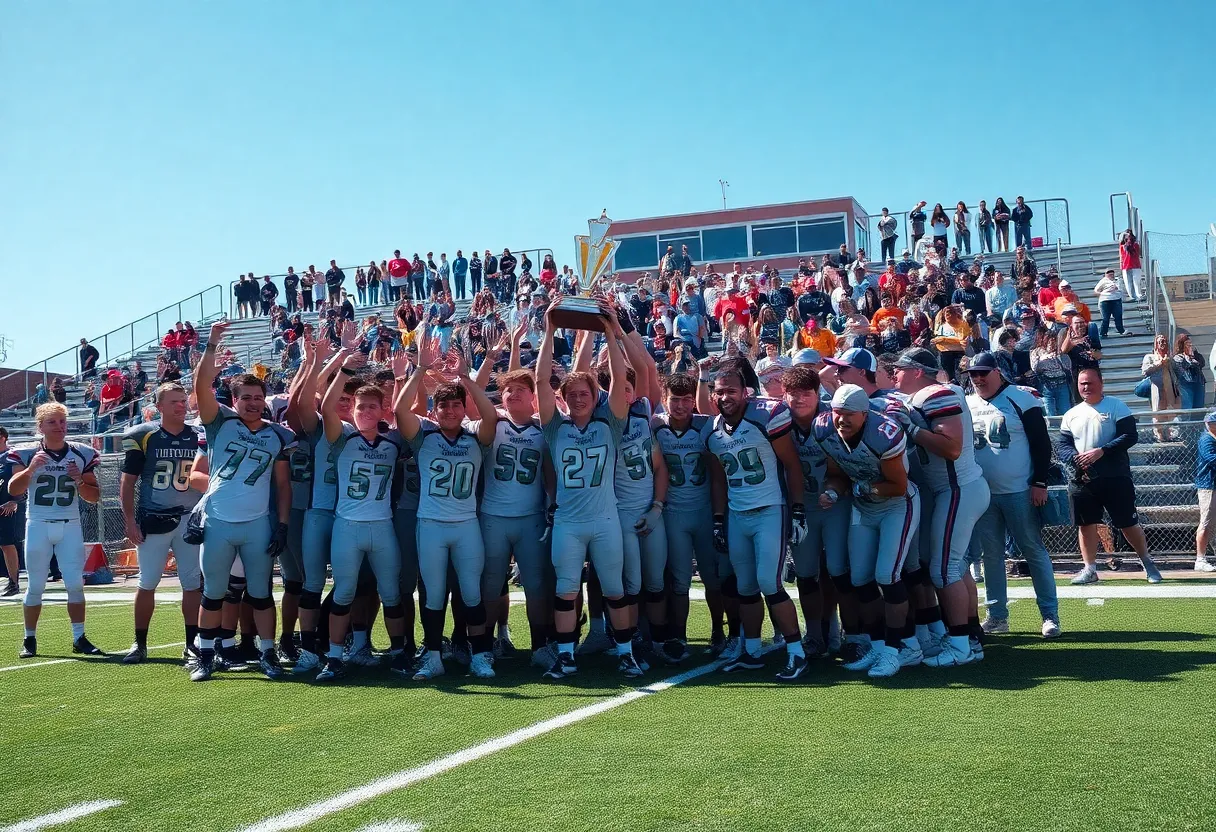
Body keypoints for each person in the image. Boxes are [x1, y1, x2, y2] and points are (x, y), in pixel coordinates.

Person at [534, 300, 643, 679]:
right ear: (563, 399)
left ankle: (625, 652)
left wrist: (612, 331)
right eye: (573, 394)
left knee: (614, 589)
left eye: (586, 393)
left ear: (594, 396)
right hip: (568, 521)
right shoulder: (555, 427)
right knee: (566, 590)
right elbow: (539, 381)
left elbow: (616, 376)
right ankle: (566, 656)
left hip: (605, 519)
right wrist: (548, 331)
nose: (580, 398)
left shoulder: (608, 423)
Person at [188, 320, 297, 682]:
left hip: (255, 523)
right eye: (244, 398)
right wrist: (212, 344)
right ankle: (205, 656)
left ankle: (268, 654)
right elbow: (201, 385)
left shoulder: (279, 435)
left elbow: (283, 486)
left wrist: (281, 524)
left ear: (264, 401)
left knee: (261, 594)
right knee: (214, 593)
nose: (252, 403)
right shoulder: (220, 423)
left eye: (257, 398)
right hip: (218, 520)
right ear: (234, 401)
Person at [701, 357, 810, 680]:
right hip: (738, 514)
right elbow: (719, 479)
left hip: (770, 510)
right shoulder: (714, 431)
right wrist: (719, 519)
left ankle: (796, 652)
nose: (725, 398)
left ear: (745, 392)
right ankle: (751, 651)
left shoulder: (766, 417)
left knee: (768, 583)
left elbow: (791, 465)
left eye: (731, 391)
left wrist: (798, 509)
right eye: (719, 392)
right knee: (745, 587)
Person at [309, 350, 413, 682]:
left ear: (382, 411)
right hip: (347, 525)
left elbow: (405, 414)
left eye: (372, 407)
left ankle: (398, 653)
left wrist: (399, 379)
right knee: (343, 592)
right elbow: (325, 407)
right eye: (359, 407)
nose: (366, 411)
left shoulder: (393, 440)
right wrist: (345, 368)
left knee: (392, 593)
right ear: (351, 411)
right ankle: (336, 656)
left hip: (382, 526)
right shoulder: (341, 437)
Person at [888, 349, 991, 666]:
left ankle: (960, 644)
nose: (895, 375)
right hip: (954, 489)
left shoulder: (935, 394)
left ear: (918, 371)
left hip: (957, 488)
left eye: (900, 370)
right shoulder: (939, 392)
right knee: (953, 566)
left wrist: (913, 429)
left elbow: (951, 447)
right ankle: (970, 636)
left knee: (944, 569)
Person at [813, 383, 918, 678]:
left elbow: (897, 486)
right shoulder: (824, 429)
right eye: (836, 413)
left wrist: (861, 486)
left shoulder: (882, 434)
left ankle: (896, 650)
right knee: (860, 578)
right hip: (864, 507)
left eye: (848, 414)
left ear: (864, 414)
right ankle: (877, 644)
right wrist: (833, 492)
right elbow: (836, 475)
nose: (841, 419)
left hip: (897, 506)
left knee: (888, 575)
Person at [963, 352, 1061, 637]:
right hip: (983, 493)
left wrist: (1040, 482)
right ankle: (997, 616)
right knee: (991, 555)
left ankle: (1049, 614)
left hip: (1019, 490)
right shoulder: (967, 403)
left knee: (1032, 550)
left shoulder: (1022, 398)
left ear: (998, 371)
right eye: (973, 374)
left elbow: (1041, 444)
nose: (978, 378)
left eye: (983, 372)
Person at [7, 402, 103, 659]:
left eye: (62, 421)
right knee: (35, 586)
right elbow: (13, 490)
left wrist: (79, 480)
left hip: (70, 524)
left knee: (75, 585)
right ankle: (29, 639)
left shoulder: (81, 453)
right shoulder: (26, 453)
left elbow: (94, 497)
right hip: (38, 523)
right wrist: (31, 470)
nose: (59, 427)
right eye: (52, 422)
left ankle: (78, 637)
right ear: (40, 427)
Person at [118, 383, 204, 666]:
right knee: (148, 582)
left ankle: (191, 643)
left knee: (192, 583)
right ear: (160, 407)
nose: (182, 406)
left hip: (190, 518)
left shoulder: (200, 434)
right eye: (175, 402)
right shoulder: (145, 435)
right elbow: (128, 481)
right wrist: (130, 520)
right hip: (154, 518)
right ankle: (139, 642)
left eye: (183, 400)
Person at [1057, 367, 1163, 585]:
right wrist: (1076, 458)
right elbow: (1063, 446)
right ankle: (1090, 569)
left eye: (1089, 382)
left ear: (1101, 383)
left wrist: (1101, 451)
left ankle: (1147, 563)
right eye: (1082, 383)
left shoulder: (1116, 406)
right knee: (1085, 525)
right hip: (1083, 480)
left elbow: (1129, 436)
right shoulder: (1071, 414)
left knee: (1127, 523)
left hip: (1115, 477)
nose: (1085, 387)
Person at [782, 366, 849, 659]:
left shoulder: (832, 418)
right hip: (803, 506)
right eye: (792, 394)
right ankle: (814, 634)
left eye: (805, 394)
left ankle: (853, 634)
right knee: (807, 574)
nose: (798, 400)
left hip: (836, 503)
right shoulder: (777, 420)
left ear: (817, 394)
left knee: (839, 571)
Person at [0, 427, 27, 597]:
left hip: (8, 507)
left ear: (3, 437)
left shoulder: (12, 457)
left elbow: (21, 482)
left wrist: (15, 501)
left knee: (7, 544)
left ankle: (14, 582)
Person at [1142, 334, 1179, 442]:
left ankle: (1168, 433)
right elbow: (1145, 371)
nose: (1162, 343)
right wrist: (1159, 363)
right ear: (1156, 344)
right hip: (1156, 388)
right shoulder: (1150, 357)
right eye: (1160, 342)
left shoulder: (1171, 358)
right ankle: (1159, 435)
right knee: (1157, 411)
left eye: (1164, 341)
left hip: (1170, 388)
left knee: (1169, 410)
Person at [1030, 329, 1072, 417]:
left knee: (1066, 412)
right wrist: (1044, 358)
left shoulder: (1061, 352)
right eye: (1050, 341)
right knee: (1049, 414)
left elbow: (1067, 367)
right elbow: (1034, 368)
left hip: (1062, 384)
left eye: (1054, 341)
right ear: (1045, 340)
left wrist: (1059, 356)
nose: (1052, 344)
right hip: (1046, 386)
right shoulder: (1036, 352)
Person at [1195, 411, 1216, 573]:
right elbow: (1211, 458)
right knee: (1206, 522)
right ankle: (1200, 559)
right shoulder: (1206, 439)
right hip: (1208, 486)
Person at [1172, 332, 1206, 413]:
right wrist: (1188, 359)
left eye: (1190, 343)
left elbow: (1202, 364)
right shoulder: (1177, 358)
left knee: (1199, 408)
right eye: (1187, 344)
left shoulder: (1195, 355)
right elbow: (1182, 369)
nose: (1190, 346)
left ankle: (1198, 424)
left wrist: (1195, 355)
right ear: (1181, 345)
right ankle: (1186, 425)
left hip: (1199, 383)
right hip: (1186, 385)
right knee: (1187, 407)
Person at [1093, 268, 1130, 338]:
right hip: (1105, 300)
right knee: (1106, 318)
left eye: (1112, 273)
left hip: (1116, 299)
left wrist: (1117, 288)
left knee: (1118, 316)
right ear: (1105, 275)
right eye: (1108, 273)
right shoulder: (1103, 281)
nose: (1111, 275)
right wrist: (1103, 293)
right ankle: (1103, 332)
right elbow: (1095, 291)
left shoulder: (1118, 280)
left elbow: (1122, 289)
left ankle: (1121, 330)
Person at [1119, 229, 1143, 301]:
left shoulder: (1135, 245)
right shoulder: (1122, 246)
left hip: (1135, 265)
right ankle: (1132, 295)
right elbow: (1121, 256)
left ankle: (1138, 295)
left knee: (1136, 281)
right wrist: (1121, 264)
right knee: (1128, 282)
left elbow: (1138, 254)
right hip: (1126, 266)